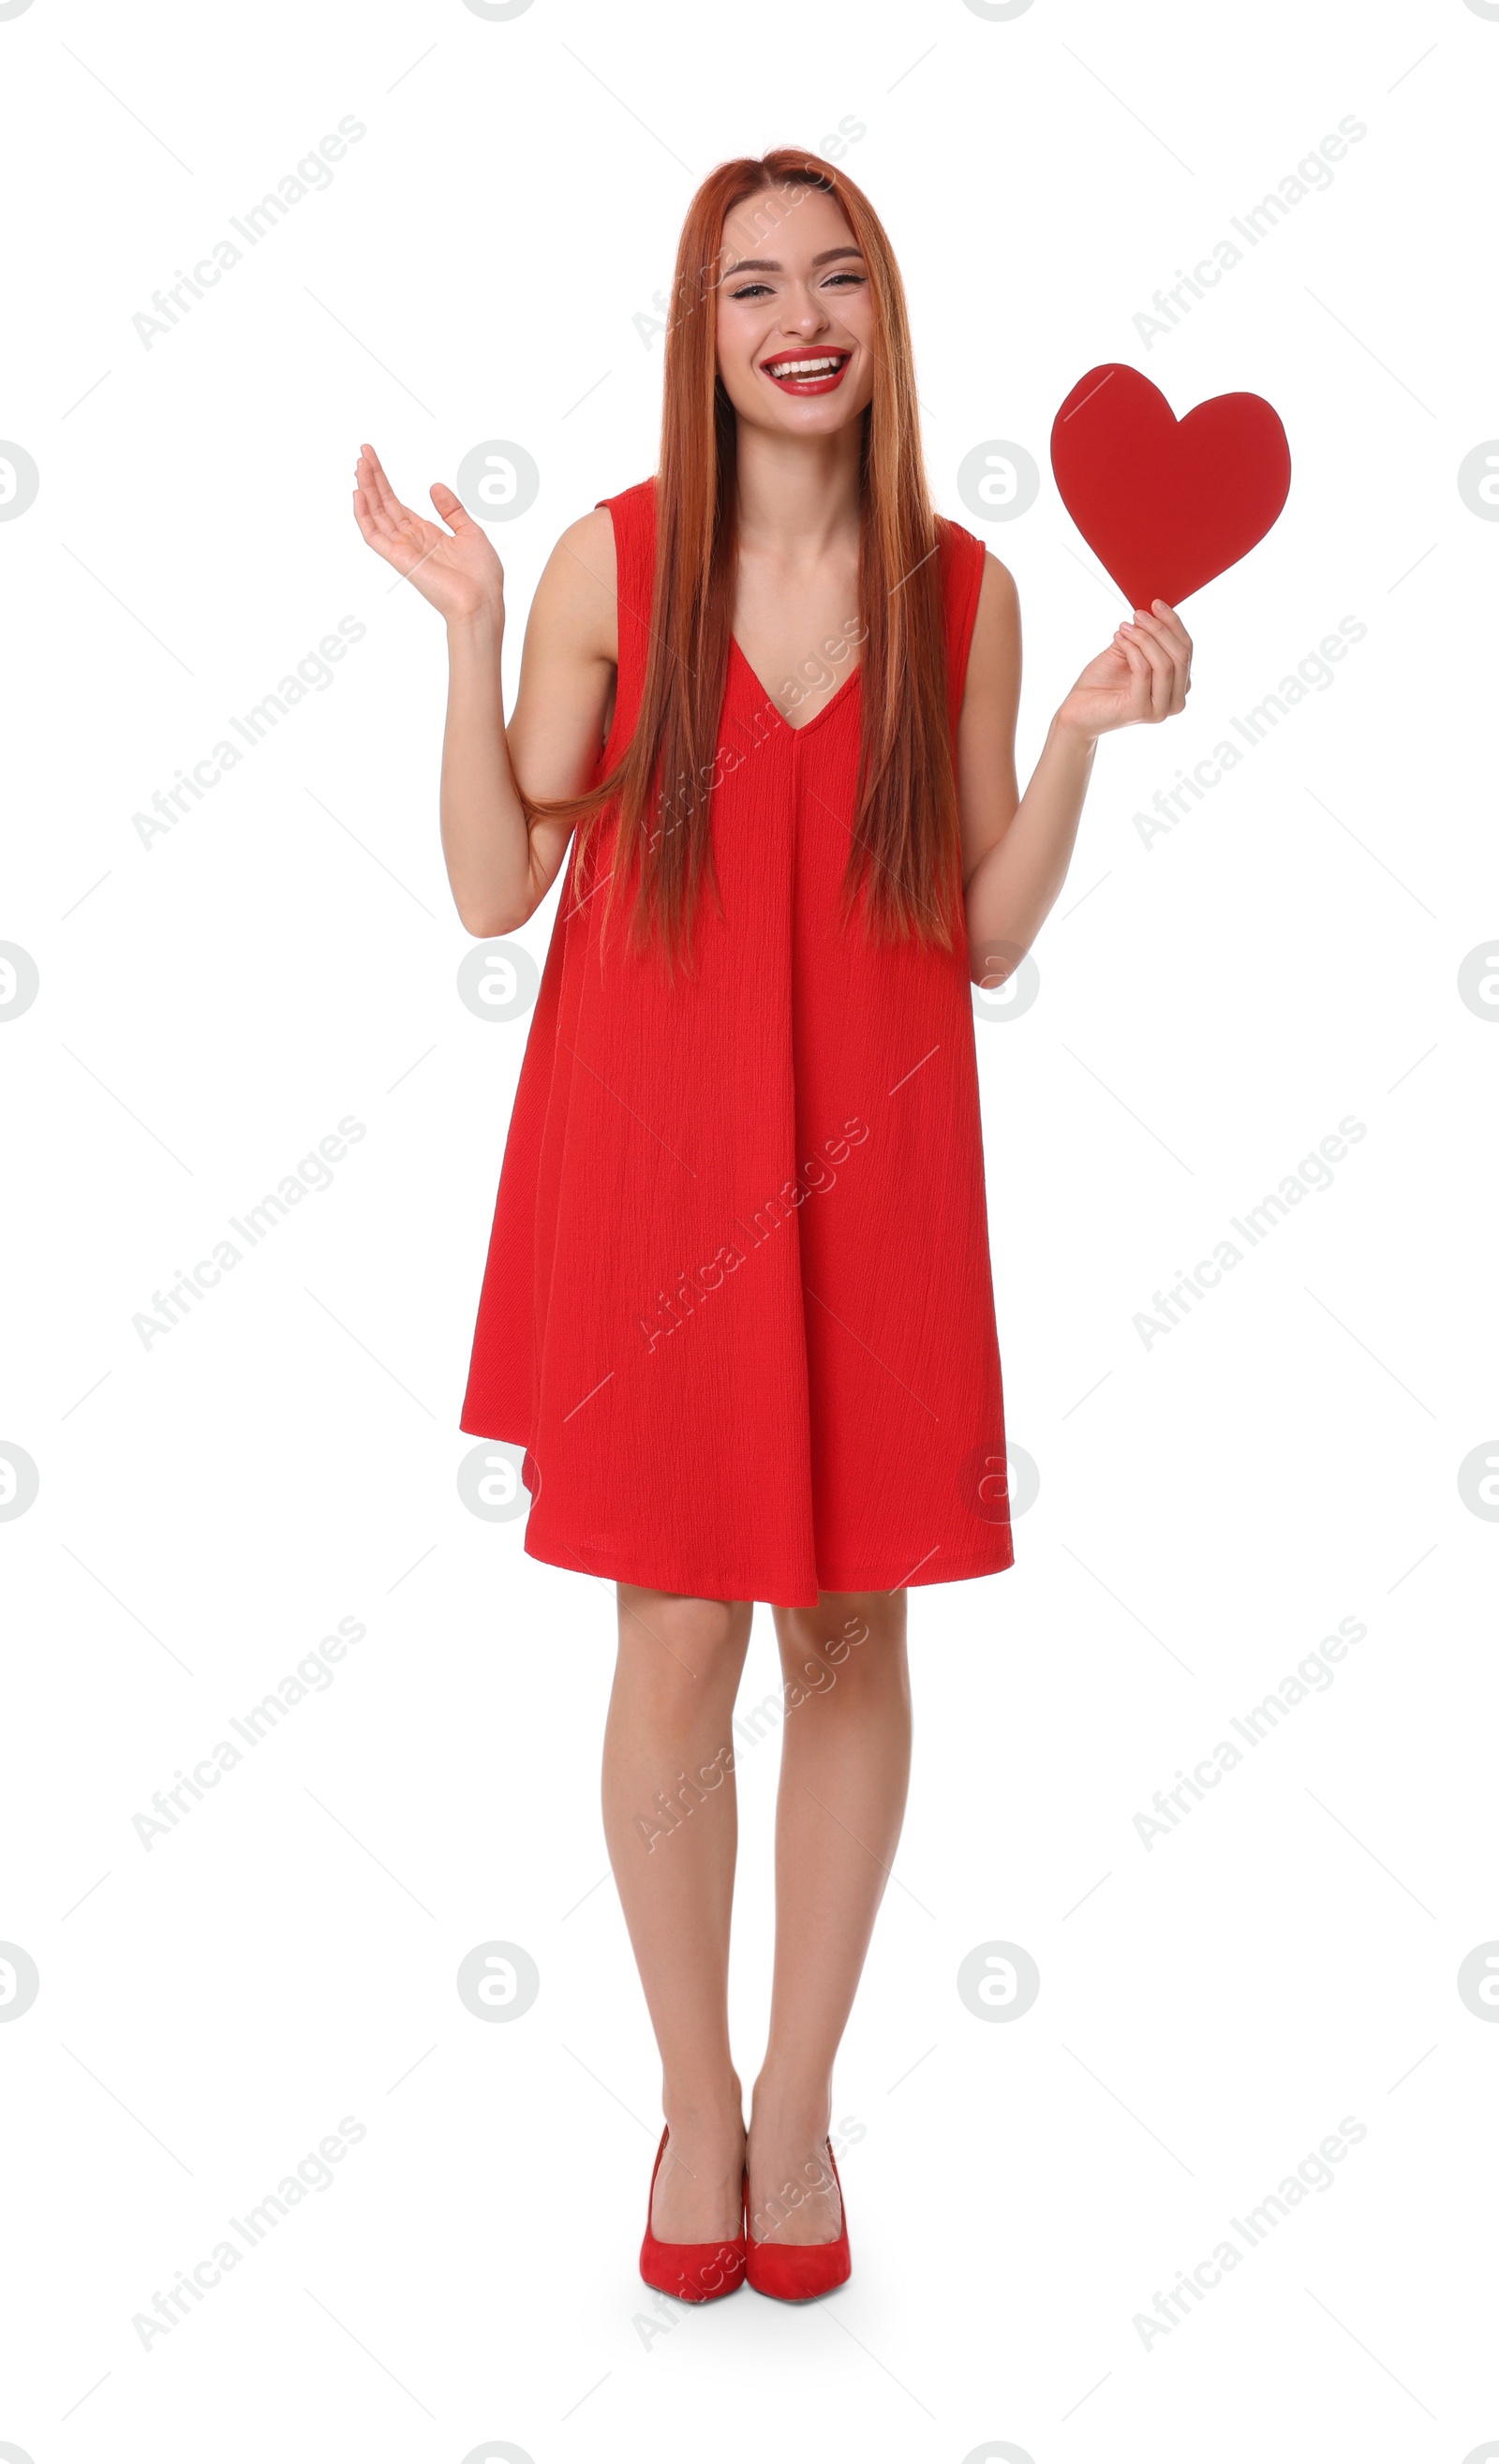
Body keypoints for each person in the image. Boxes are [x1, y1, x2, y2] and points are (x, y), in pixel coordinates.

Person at [352, 146, 1191, 2305]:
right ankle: (689, 2106)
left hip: (876, 1165)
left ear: (881, 318)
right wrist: (462, 632)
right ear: (698, 333)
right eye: (749, 287)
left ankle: (799, 2115)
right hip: (651, 1169)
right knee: (670, 1636)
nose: (796, 314)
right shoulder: (607, 567)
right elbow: (489, 882)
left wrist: (1085, 739)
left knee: (850, 1625)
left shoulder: (968, 592)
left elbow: (981, 933)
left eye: (832, 277)